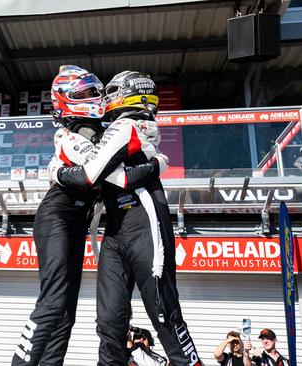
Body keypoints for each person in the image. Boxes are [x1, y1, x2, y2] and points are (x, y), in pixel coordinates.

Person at [11, 65, 164, 366]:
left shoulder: (105, 131)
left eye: (94, 92)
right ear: (65, 99)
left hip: (77, 225)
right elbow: (90, 178)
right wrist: (158, 164)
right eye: (84, 93)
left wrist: (156, 160)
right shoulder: (68, 134)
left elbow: (131, 157)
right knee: (53, 303)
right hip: (57, 217)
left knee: (66, 314)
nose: (93, 97)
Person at [51, 71, 202, 366]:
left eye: (110, 93)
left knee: (163, 312)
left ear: (129, 93)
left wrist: (57, 170)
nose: (104, 99)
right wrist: (156, 165)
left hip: (144, 219)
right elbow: (108, 172)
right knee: (109, 321)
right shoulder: (119, 128)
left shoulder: (126, 125)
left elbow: (97, 174)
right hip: (116, 228)